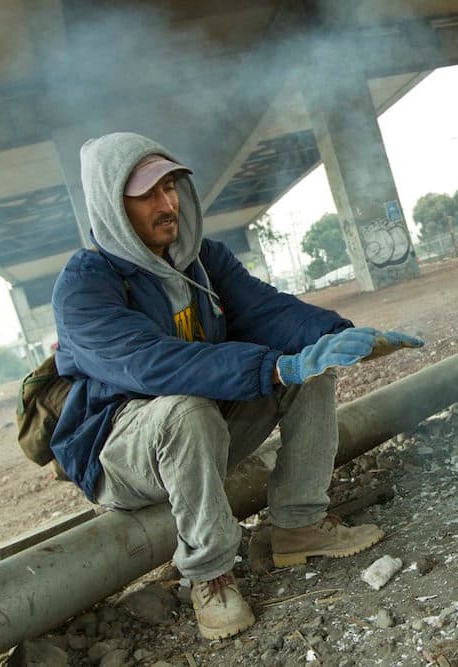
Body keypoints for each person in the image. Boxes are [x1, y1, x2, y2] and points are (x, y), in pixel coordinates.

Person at [50, 132, 423, 640]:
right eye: (147, 195)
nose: (168, 204)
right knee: (188, 409)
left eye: (171, 188)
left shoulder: (203, 260)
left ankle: (297, 524)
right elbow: (153, 364)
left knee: (307, 369)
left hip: (201, 438)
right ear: (112, 207)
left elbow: (267, 310)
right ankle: (209, 575)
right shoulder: (84, 287)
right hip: (121, 454)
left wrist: (343, 333)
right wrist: (269, 369)